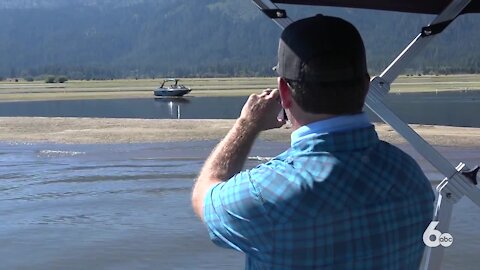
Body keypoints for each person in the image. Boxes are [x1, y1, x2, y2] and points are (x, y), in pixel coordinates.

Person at [192, 14, 435, 269]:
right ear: (365, 86)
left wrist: (247, 126)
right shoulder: (410, 176)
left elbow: (203, 197)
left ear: (284, 93)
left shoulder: (266, 195)